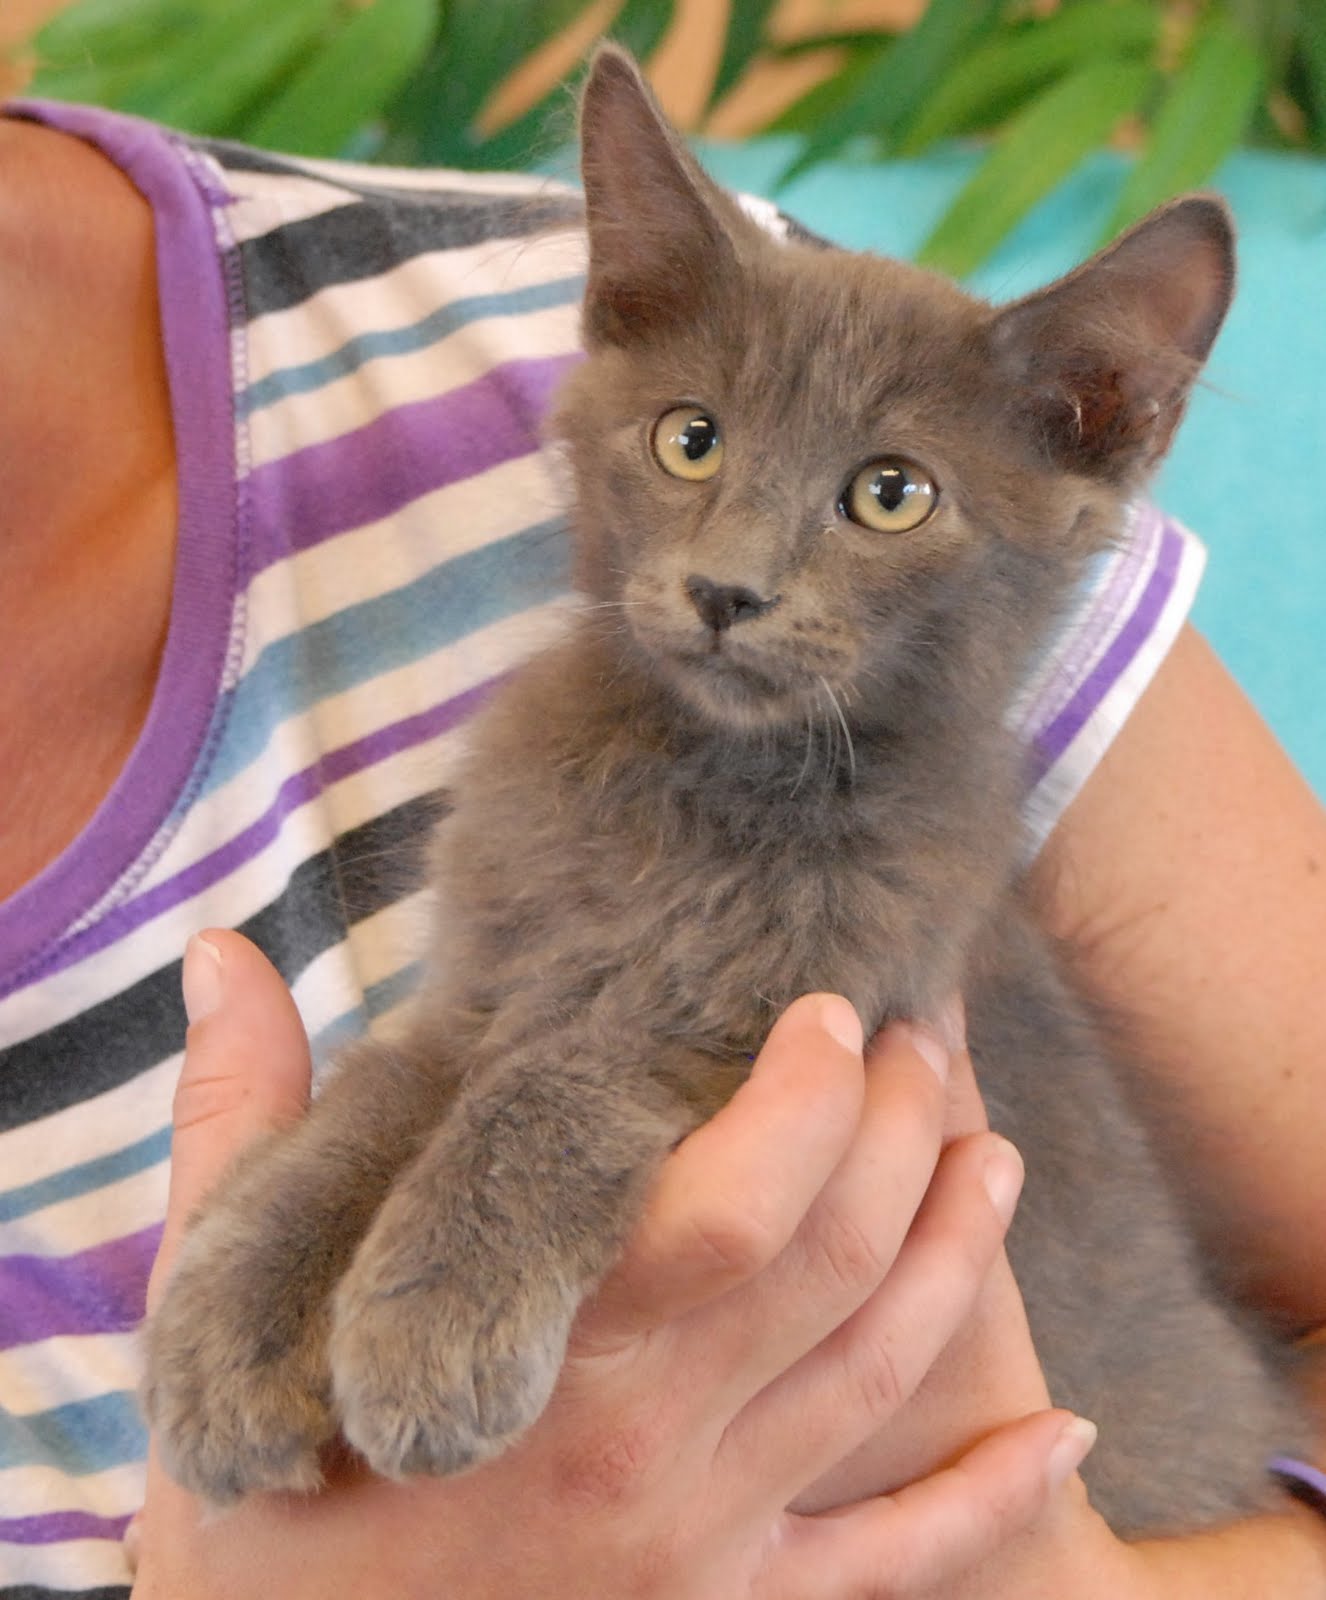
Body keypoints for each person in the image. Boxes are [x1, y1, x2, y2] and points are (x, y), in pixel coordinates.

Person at [0, 93, 1323, 1600]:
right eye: (691, 442)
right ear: (618, 339)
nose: (734, 571)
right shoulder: (536, 750)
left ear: (1090, 433)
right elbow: (473, 1034)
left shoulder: (922, 845)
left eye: (884, 496)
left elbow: (729, 1066)